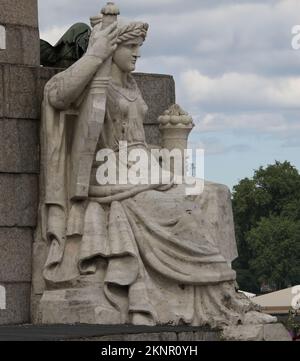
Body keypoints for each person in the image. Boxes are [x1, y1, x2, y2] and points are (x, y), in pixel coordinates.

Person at [34, 15, 276, 328]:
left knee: (216, 193)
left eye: (140, 47)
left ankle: (223, 292)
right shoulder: (96, 82)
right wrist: (96, 53)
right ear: (112, 47)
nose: (137, 53)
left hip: (145, 168)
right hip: (111, 173)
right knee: (182, 205)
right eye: (131, 46)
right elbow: (56, 95)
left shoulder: (131, 85)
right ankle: (209, 298)